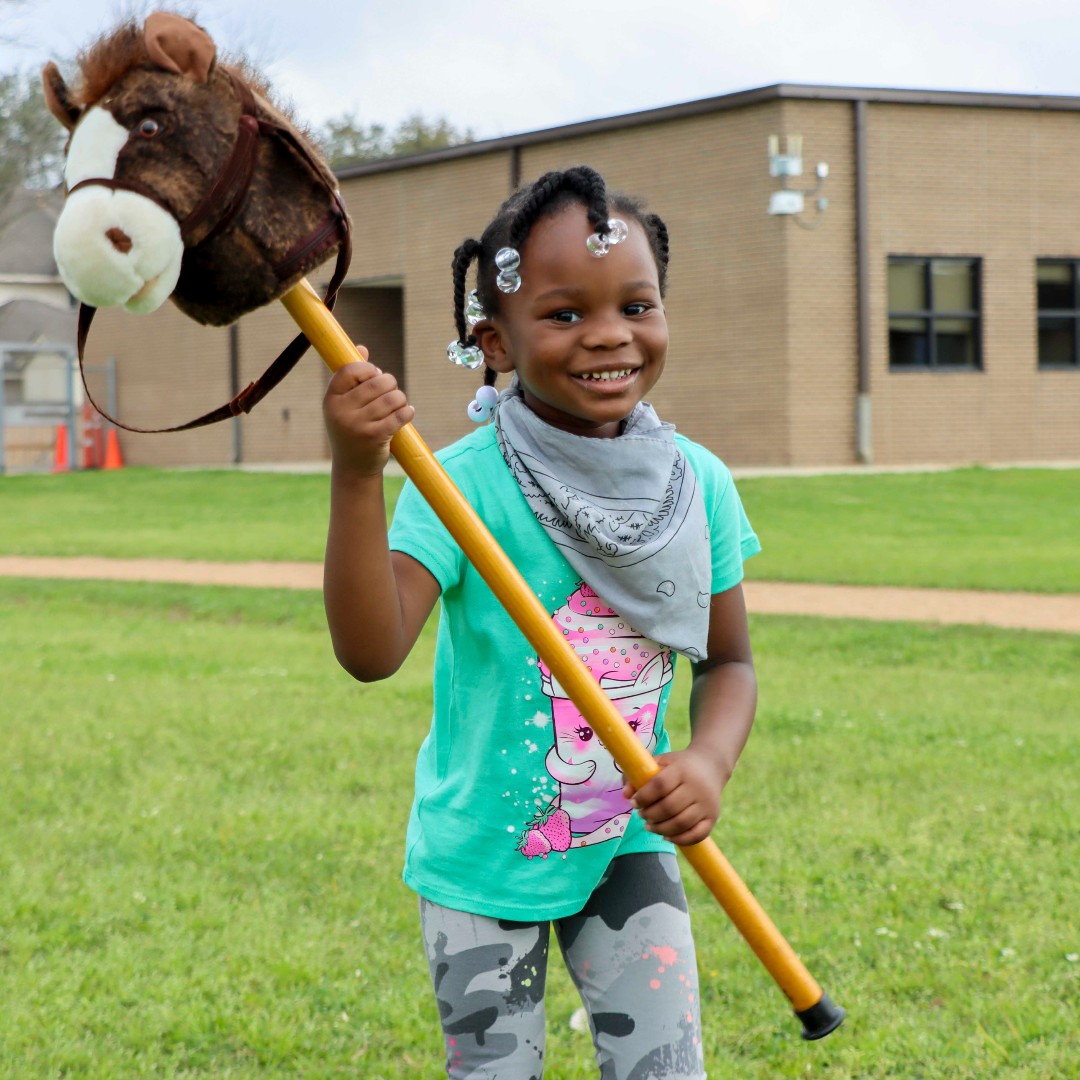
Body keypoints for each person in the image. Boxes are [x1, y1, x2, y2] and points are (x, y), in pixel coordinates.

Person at [322, 165, 761, 1079]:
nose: (610, 335)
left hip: (629, 844)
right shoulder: (460, 484)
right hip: (483, 860)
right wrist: (358, 474)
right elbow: (371, 653)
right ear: (495, 341)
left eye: (636, 305)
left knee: (665, 1068)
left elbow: (729, 664)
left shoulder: (699, 485)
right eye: (564, 315)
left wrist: (709, 762)